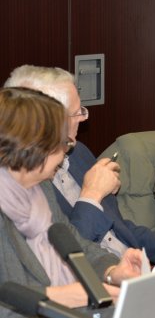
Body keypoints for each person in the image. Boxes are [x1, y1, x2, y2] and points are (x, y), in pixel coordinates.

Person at [4, 65, 155, 263]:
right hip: (93, 274)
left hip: (126, 267)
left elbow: (119, 227)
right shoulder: (27, 182)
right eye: (76, 113)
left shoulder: (78, 153)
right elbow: (64, 256)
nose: (84, 118)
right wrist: (92, 195)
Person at [0, 87, 142, 317]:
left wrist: (112, 272)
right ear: (32, 148)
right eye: (62, 142)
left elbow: (75, 242)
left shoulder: (40, 188)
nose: (68, 149)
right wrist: (62, 296)